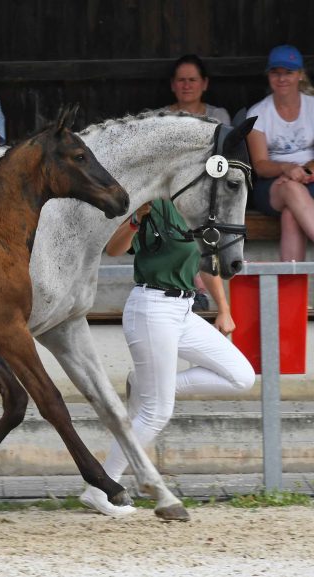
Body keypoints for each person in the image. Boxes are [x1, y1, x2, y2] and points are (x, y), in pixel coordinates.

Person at [79, 199, 256, 517]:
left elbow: (205, 260)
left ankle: (144, 384)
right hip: (151, 307)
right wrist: (136, 218)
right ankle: (100, 489)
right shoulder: (155, 203)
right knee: (157, 412)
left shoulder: (197, 204)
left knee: (241, 375)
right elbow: (115, 249)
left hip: (184, 310)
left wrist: (224, 309)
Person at [164, 54, 231, 310]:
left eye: (192, 79)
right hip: (173, 189)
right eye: (181, 80)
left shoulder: (218, 116)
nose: (186, 85)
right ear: (172, 84)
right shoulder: (161, 118)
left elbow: (226, 157)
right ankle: (196, 289)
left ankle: (200, 288)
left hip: (212, 185)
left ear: (204, 83)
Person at [246, 44, 314, 262]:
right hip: (272, 185)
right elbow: (260, 165)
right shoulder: (258, 113)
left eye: (289, 73)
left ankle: (290, 293)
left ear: (300, 75)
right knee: (292, 189)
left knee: (291, 215)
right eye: (276, 73)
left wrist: (303, 170)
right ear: (269, 75)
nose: (282, 78)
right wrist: (286, 169)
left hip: (310, 178)